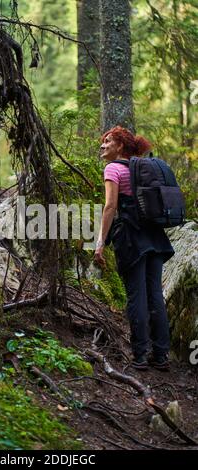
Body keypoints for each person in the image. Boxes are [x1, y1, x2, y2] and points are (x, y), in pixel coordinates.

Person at [94, 126, 174, 371]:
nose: (102, 145)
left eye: (108, 141)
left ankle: (139, 355)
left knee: (136, 295)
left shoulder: (113, 168)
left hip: (131, 236)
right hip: (155, 236)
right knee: (155, 296)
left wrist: (100, 243)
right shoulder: (145, 168)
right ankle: (160, 356)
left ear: (120, 146)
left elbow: (110, 207)